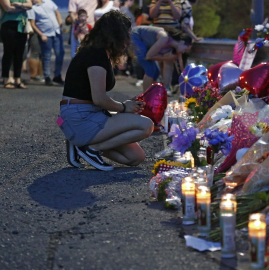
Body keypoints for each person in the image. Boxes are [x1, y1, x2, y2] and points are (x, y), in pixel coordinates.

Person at [59, 10, 153, 171]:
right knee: (146, 125)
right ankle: (91, 149)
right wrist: (124, 107)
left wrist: (127, 106)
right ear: (116, 34)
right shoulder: (96, 54)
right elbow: (99, 99)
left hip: (86, 115)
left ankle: (83, 145)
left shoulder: (102, 53)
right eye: (126, 35)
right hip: (79, 118)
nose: (128, 40)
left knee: (135, 157)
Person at [131, 25, 191, 92]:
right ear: (182, 42)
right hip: (136, 36)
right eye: (185, 49)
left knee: (156, 71)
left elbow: (179, 65)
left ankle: (152, 94)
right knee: (150, 69)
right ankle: (146, 97)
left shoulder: (172, 46)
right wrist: (167, 58)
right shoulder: (164, 38)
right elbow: (148, 56)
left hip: (143, 41)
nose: (183, 52)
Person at [28, 0, 65, 86]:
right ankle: (47, 76)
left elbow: (57, 13)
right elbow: (33, 24)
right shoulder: (32, 8)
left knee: (60, 53)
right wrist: (41, 34)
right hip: (46, 34)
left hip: (57, 32)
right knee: (46, 56)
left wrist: (60, 25)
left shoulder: (48, 2)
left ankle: (57, 75)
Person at [149, 0, 181, 95]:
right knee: (158, 61)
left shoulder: (176, 1)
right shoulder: (155, 1)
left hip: (171, 33)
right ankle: (158, 86)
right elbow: (152, 15)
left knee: (168, 61)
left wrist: (170, 3)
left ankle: (166, 87)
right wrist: (159, 2)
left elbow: (178, 15)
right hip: (157, 33)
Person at [0, 0, 32, 89]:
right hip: (8, 25)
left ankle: (17, 79)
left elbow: (30, 6)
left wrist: (19, 5)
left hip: (22, 25)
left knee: (20, 54)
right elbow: (8, 9)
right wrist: (23, 7)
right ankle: (6, 79)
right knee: (8, 53)